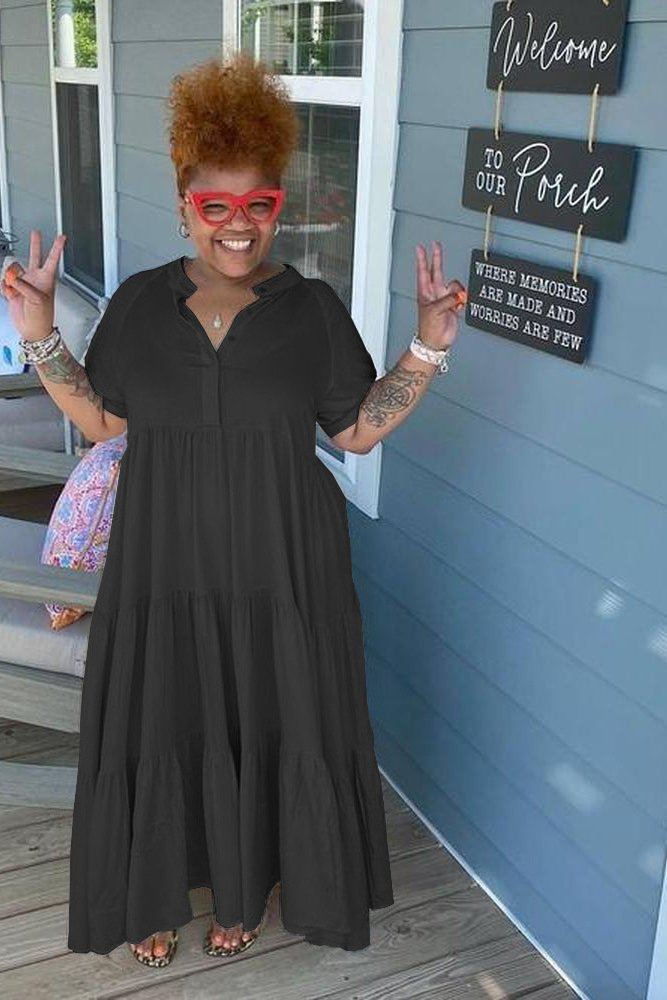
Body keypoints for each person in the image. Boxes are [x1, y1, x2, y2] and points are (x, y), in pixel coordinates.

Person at [1, 50, 466, 968]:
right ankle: (151, 894)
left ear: (278, 207)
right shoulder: (140, 304)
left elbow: (357, 430)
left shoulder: (312, 310)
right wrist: (41, 333)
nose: (238, 224)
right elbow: (103, 422)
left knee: (268, 721)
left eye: (258, 203)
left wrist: (426, 346)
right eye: (215, 205)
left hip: (281, 568)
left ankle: (244, 892)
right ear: (185, 205)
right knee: (161, 722)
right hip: (162, 566)